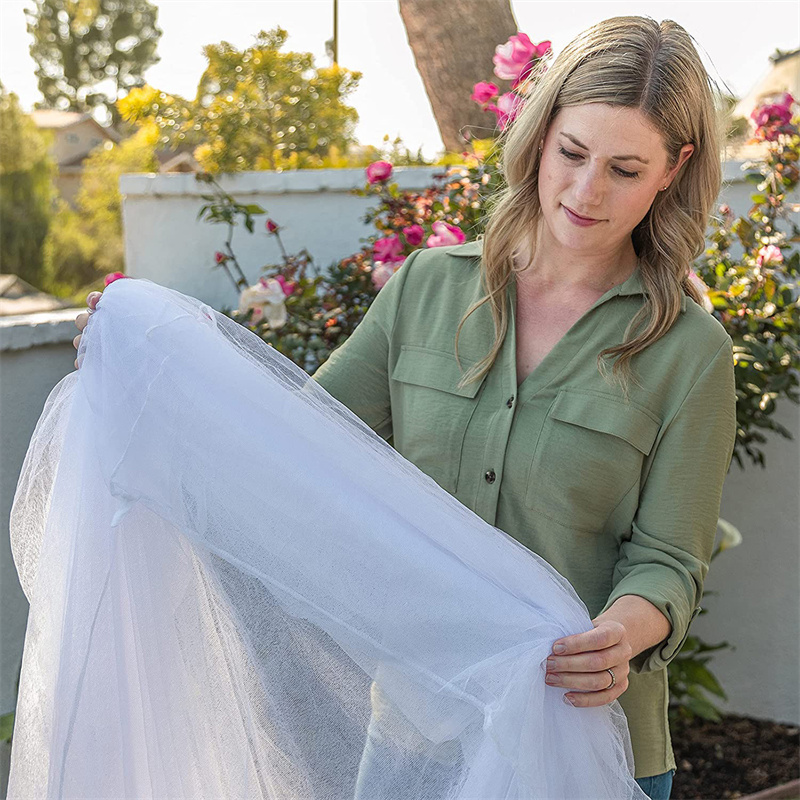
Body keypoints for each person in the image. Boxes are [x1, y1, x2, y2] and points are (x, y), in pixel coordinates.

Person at [74, 15, 737, 800]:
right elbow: (296, 450)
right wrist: (146, 361)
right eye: (572, 153)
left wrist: (620, 633)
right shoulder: (427, 289)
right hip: (415, 739)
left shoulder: (689, 352)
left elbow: (669, 561)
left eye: (626, 169)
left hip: (586, 740)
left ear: (675, 168)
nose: (587, 191)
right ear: (541, 134)